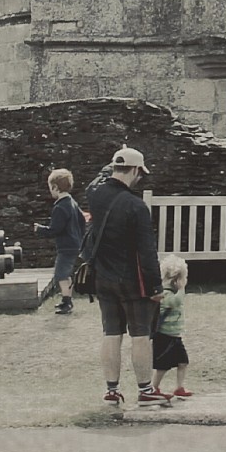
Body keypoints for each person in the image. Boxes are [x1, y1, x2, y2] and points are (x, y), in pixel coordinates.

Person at [86, 146, 171, 409]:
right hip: (133, 280)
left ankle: (112, 390)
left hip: (103, 276)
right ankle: (145, 390)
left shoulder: (96, 195)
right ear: (135, 170)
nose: (140, 178)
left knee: (111, 333)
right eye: (139, 173)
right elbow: (147, 250)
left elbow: (98, 179)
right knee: (140, 335)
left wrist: (113, 164)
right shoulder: (137, 206)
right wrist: (156, 285)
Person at [36, 168, 84, 314]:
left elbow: (55, 229)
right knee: (66, 274)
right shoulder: (72, 203)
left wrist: (39, 229)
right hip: (75, 244)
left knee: (61, 274)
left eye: (50, 188)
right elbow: (82, 221)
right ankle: (67, 299)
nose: (50, 191)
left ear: (55, 187)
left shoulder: (60, 207)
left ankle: (67, 303)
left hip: (66, 246)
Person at [153, 255, 193, 397]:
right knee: (162, 366)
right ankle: (154, 387)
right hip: (164, 336)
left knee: (183, 361)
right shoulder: (165, 293)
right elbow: (174, 303)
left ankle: (180, 387)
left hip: (175, 335)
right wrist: (182, 289)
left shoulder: (171, 293)